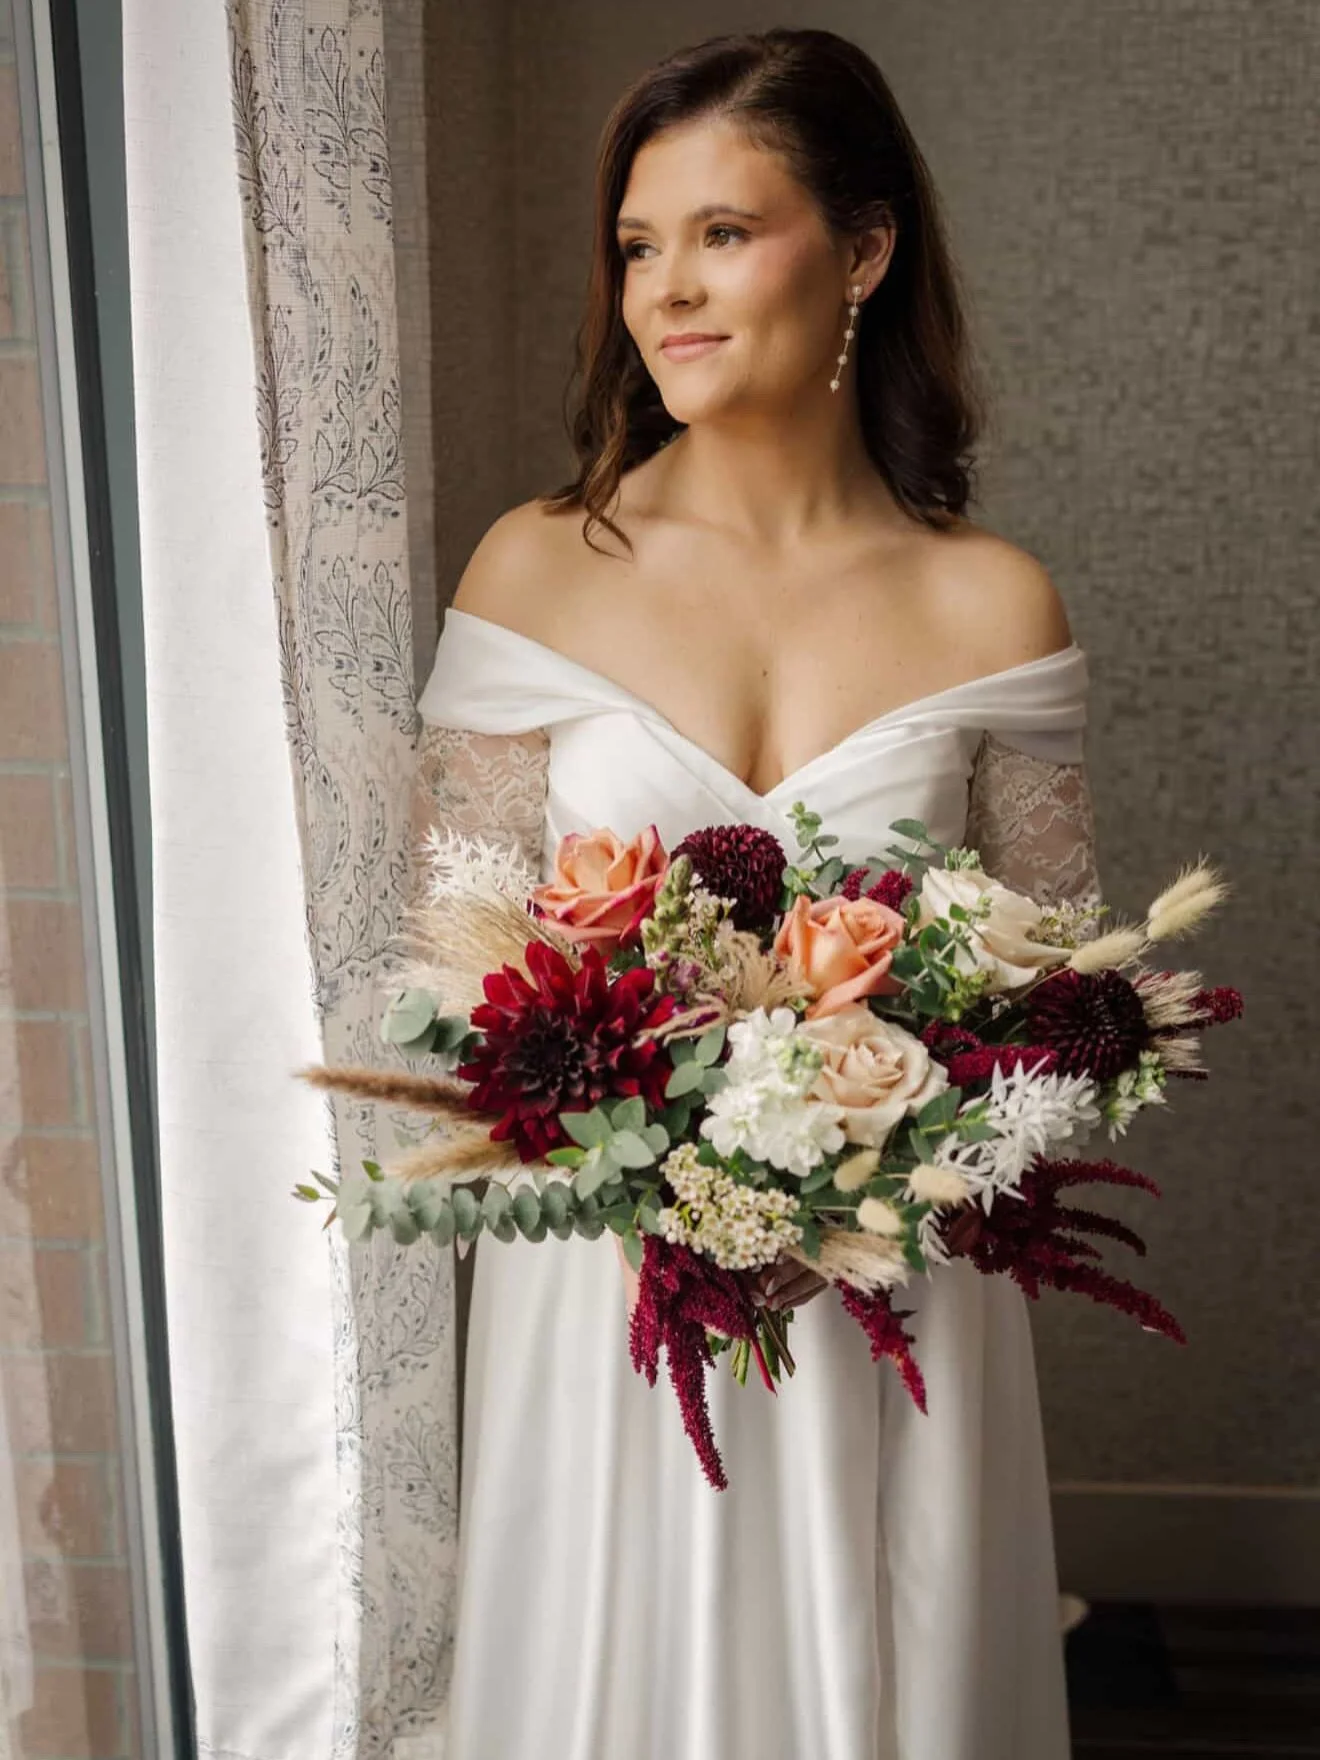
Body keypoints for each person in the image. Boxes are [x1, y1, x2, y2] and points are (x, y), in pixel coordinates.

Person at [410, 26, 1101, 1760]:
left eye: (725, 232)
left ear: (863, 250)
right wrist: (676, 1175)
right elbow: (448, 966)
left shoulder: (990, 604)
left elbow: (1070, 1014)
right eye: (639, 247)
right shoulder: (535, 569)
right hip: (606, 1291)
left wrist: (871, 1183)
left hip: (903, 1298)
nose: (667, 291)